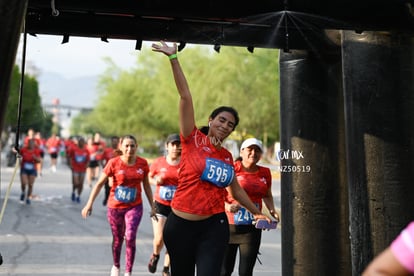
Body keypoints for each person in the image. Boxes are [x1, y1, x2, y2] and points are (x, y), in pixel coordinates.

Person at [151, 41, 272, 276]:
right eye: (222, 120)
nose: (225, 126)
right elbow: (185, 96)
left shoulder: (227, 156)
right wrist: (173, 58)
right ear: (211, 120)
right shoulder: (191, 138)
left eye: (230, 124)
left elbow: (235, 189)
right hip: (180, 225)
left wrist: (257, 212)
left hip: (214, 225)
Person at [81, 134, 156, 276]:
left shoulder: (142, 163)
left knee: (131, 235)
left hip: (134, 206)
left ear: (136, 147)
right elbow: (99, 184)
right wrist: (89, 203)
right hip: (115, 207)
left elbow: (146, 186)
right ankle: (116, 266)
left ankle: (128, 271)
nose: (129, 149)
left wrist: (152, 206)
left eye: (132, 146)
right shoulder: (113, 163)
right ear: (121, 147)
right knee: (117, 238)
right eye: (126, 146)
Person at [221, 137, 280, 276]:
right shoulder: (232, 168)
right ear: (242, 152)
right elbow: (216, 193)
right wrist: (226, 206)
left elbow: (267, 194)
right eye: (250, 149)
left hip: (252, 227)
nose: (253, 153)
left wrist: (272, 210)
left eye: (257, 150)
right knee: (224, 271)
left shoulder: (265, 172)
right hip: (228, 226)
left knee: (246, 271)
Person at [148, 133, 181, 276]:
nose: (175, 147)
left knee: (173, 238)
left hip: (178, 207)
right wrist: (156, 181)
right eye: (172, 144)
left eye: (178, 144)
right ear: (167, 146)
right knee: (159, 239)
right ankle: (155, 255)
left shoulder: (185, 163)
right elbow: (148, 177)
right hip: (160, 204)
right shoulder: (158, 162)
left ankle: (166, 268)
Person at [18, 138, 42, 204]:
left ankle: (28, 197)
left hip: (32, 169)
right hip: (24, 169)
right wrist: (19, 161)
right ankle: (23, 192)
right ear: (28, 144)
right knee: (23, 183)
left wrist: (35, 158)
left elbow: (39, 160)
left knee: (30, 185)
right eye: (30, 143)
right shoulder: (23, 149)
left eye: (32, 144)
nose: (31, 145)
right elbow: (19, 155)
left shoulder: (36, 151)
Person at [67, 137, 90, 203]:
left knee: (81, 184)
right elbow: (69, 156)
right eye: (80, 142)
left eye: (82, 142)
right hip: (75, 168)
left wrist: (87, 165)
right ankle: (73, 191)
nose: (81, 143)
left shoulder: (86, 150)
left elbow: (88, 160)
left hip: (83, 169)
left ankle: (78, 196)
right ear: (78, 143)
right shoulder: (74, 149)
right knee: (76, 183)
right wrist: (70, 165)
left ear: (84, 143)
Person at [102, 136, 121, 206]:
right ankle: (106, 197)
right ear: (111, 142)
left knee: (115, 187)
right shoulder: (107, 150)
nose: (115, 143)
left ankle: (114, 200)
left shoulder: (120, 152)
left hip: (117, 173)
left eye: (116, 142)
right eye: (113, 142)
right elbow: (102, 159)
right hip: (108, 172)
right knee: (107, 187)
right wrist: (103, 167)